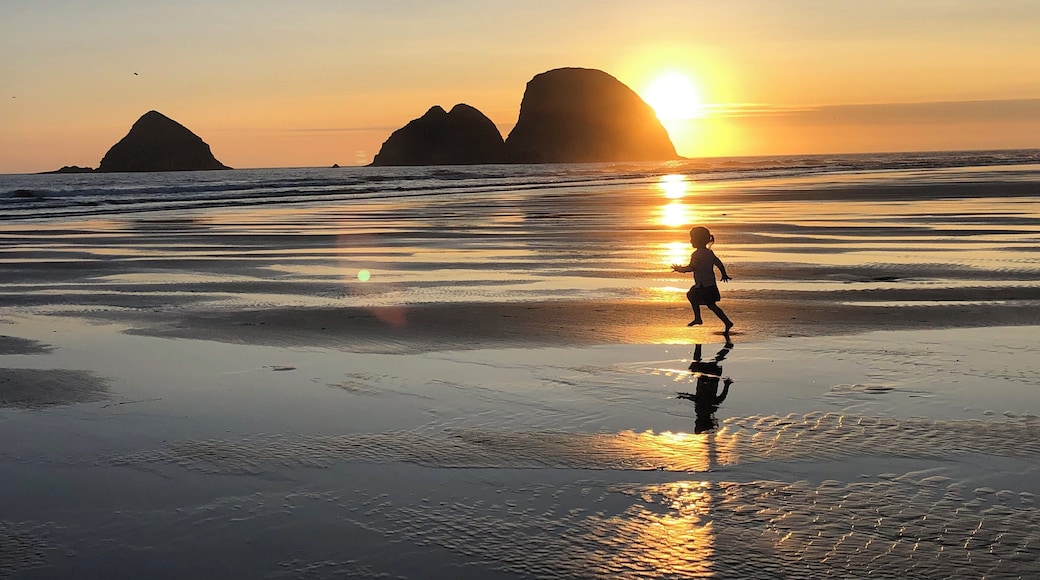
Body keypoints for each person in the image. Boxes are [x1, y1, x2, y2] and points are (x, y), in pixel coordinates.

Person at [671, 226, 733, 331]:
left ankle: (698, 318)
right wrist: (724, 274)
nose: (691, 241)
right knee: (710, 305)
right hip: (710, 284)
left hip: (702, 285)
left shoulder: (696, 254)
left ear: (697, 240)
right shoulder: (709, 253)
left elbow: (692, 267)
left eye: (692, 238)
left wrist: (679, 269)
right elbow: (718, 263)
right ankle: (726, 322)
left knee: (693, 296)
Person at [677, 342, 734, 434]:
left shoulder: (711, 410)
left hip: (713, 379)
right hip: (705, 379)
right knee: (696, 365)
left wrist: (726, 385)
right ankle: (698, 345)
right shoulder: (701, 411)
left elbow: (721, 398)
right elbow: (697, 398)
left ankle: (727, 348)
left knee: (714, 361)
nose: (695, 422)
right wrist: (685, 396)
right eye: (697, 423)